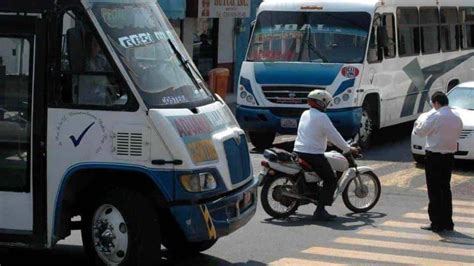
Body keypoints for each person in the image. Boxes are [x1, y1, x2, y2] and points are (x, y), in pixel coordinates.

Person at [294, 89, 358, 221]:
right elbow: (334, 134)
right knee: (330, 180)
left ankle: (311, 194)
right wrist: (348, 148)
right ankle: (320, 211)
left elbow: (311, 132)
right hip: (313, 155)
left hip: (298, 151)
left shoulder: (305, 113)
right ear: (322, 103)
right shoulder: (322, 117)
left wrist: (325, 141)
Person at [413, 91, 463, 233]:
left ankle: (436, 223)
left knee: (434, 190)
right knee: (445, 188)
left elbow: (421, 131)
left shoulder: (435, 115)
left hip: (434, 156)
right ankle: (448, 222)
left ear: (436, 103)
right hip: (449, 157)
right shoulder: (456, 117)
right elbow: (458, 134)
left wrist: (418, 122)